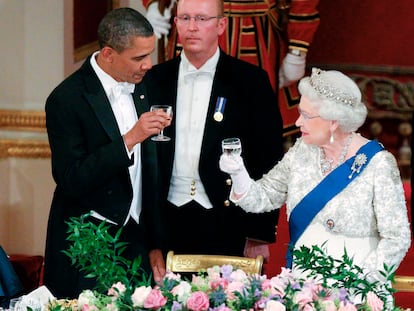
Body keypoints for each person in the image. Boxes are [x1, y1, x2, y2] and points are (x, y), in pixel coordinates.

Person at [220, 67, 411, 280]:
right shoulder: (301, 151)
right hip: (304, 289)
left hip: (356, 293)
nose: (298, 122)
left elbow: (397, 238)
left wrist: (358, 285)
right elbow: (263, 197)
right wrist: (238, 173)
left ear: (333, 121)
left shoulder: (378, 163)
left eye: (306, 115)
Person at [43, 8, 171, 299]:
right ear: (109, 54)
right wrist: (130, 139)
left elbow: (149, 174)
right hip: (88, 248)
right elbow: (71, 178)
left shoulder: (144, 87)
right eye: (139, 57)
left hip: (137, 243)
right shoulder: (66, 99)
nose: (149, 65)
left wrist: (154, 243)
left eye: (150, 54)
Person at [144, 0, 284, 261]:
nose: (192, 27)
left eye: (201, 19)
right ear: (175, 24)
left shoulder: (250, 81)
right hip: (167, 220)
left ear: (221, 25)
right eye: (184, 18)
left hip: (229, 220)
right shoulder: (153, 80)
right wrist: (150, 237)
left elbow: (269, 160)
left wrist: (258, 233)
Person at [144, 0, 320, 134]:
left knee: (255, 127)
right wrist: (153, 3)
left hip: (255, 34)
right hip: (193, 25)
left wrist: (298, 48)